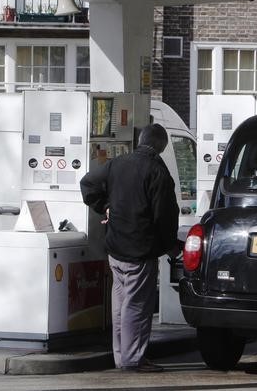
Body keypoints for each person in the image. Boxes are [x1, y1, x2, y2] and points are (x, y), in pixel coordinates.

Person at [79, 123, 179, 373]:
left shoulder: (117, 163)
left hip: (115, 249)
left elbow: (87, 184)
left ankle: (121, 357)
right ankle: (133, 360)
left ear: (140, 141)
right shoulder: (157, 171)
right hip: (139, 250)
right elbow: (164, 216)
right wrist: (170, 246)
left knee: (121, 305)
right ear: (161, 146)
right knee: (136, 306)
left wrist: (104, 206)